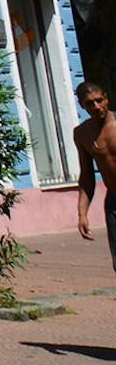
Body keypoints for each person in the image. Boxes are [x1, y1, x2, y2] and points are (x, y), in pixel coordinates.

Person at [77, 80, 116, 270]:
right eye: (89, 103)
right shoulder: (82, 134)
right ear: (81, 106)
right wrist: (82, 213)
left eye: (99, 100)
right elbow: (86, 176)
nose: (96, 106)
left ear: (106, 99)